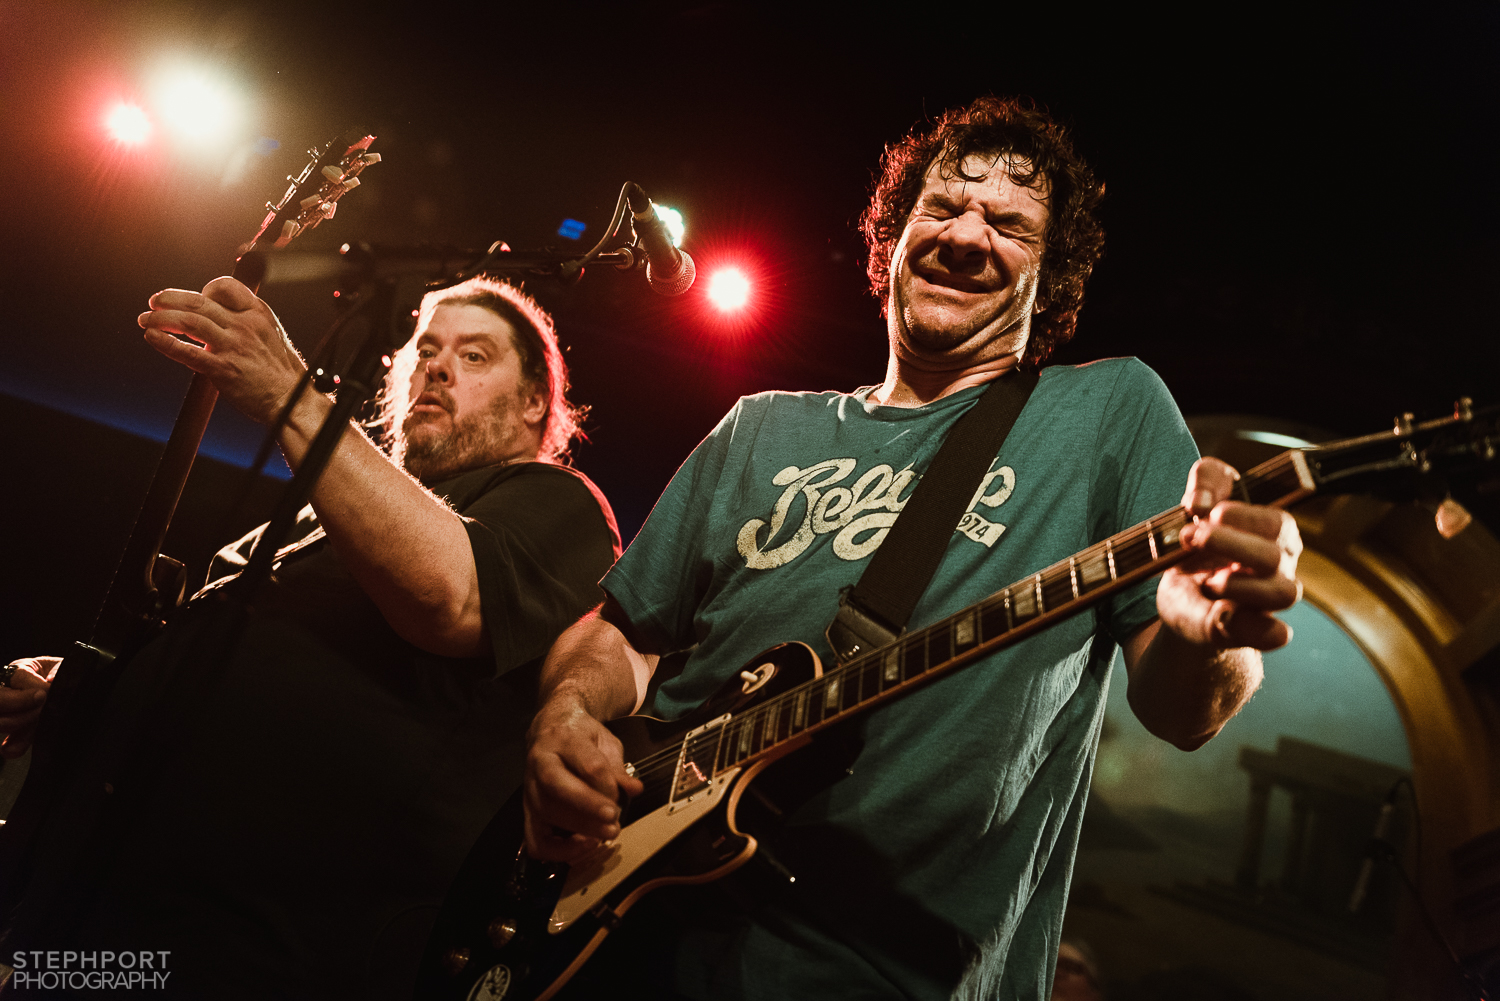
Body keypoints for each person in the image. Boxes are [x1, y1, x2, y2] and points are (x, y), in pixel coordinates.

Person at [522, 97, 1303, 1000]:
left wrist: (1212, 632)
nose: (965, 235)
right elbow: (620, 634)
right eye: (942, 207)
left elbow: (1184, 711)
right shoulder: (759, 426)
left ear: (1049, 279)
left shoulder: (1107, 413)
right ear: (891, 239)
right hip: (624, 938)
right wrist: (565, 714)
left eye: (1008, 225)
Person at [0, 276, 620, 998]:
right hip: (97, 926)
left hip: (269, 956)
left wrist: (290, 394)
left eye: (474, 355)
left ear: (535, 401)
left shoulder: (556, 500)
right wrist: (81, 688)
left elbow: (454, 598)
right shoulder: (310, 520)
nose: (437, 368)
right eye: (425, 351)